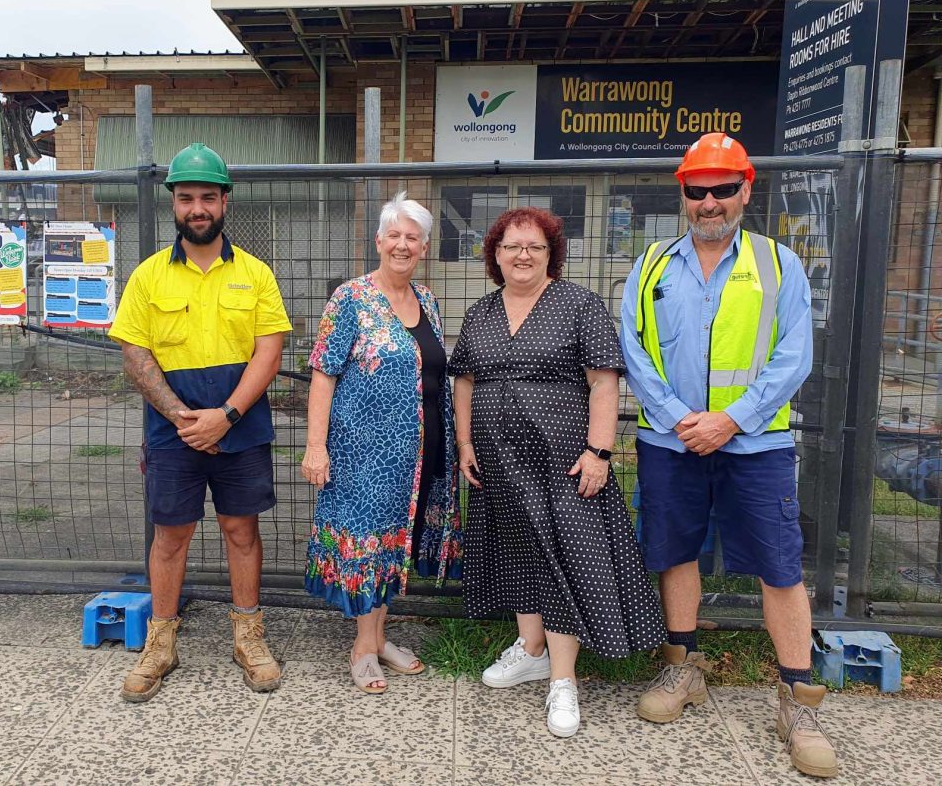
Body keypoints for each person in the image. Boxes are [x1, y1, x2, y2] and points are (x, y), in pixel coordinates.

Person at [621, 133, 834, 778]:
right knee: (676, 553)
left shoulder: (779, 265)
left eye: (722, 188)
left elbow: (794, 356)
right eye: (697, 190)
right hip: (671, 439)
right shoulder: (652, 265)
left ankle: (798, 700)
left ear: (746, 189)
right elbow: (634, 346)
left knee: (779, 567)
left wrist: (730, 420)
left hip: (756, 444)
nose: (709, 202)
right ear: (682, 193)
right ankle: (682, 667)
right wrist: (680, 419)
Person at [449, 206, 665, 738]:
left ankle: (563, 680)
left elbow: (604, 382)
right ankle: (531, 650)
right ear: (495, 255)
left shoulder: (580, 305)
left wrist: (599, 451)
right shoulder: (480, 313)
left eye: (535, 247)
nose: (522, 255)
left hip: (564, 459)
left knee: (563, 559)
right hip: (499, 460)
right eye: (511, 247)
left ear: (552, 254)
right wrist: (464, 442)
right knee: (520, 553)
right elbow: (464, 382)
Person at [109, 142, 292, 703]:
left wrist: (227, 415)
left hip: (241, 427)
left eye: (207, 197)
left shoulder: (256, 274)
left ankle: (249, 636)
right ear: (173, 204)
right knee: (171, 536)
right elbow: (135, 353)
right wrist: (183, 418)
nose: (197, 208)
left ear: (225, 202)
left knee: (242, 531)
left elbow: (270, 350)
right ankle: (161, 643)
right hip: (173, 432)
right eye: (186, 197)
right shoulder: (147, 277)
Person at [301, 192, 462, 694]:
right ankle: (364, 648)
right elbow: (323, 374)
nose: (402, 244)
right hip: (363, 454)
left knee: (395, 546)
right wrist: (315, 445)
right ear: (378, 240)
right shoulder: (350, 299)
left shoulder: (428, 300)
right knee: (370, 547)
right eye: (393, 234)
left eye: (412, 237)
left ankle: (379, 637)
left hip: (421, 451)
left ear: (424, 247)